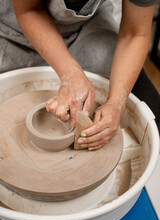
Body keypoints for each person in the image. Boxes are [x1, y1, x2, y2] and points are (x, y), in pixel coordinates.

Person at [1, 0, 160, 150]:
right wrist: (69, 72)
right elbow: (29, 10)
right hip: (13, 30)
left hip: (85, 28)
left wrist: (116, 104)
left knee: (152, 114)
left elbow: (135, 34)